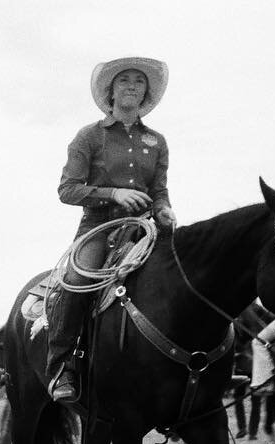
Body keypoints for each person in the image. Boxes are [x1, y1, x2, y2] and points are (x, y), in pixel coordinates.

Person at [47, 56, 177, 404]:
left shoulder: (157, 141)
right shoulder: (88, 136)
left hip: (144, 229)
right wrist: (113, 192)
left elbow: (159, 189)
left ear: (146, 92)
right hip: (99, 228)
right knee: (76, 282)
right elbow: (67, 189)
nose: (132, 85)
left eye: (139, 81)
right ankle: (62, 366)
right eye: (125, 80)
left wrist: (164, 209)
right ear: (111, 90)